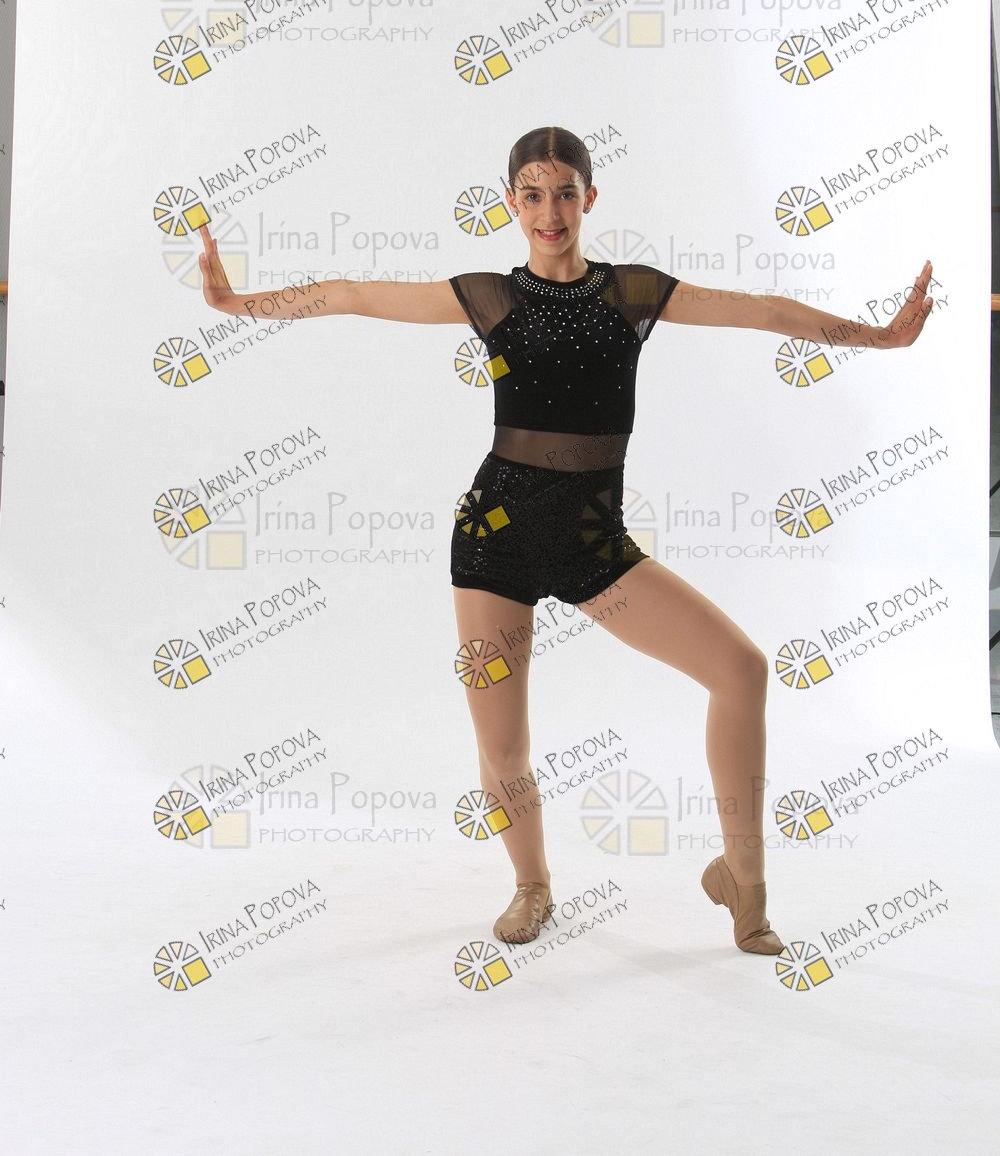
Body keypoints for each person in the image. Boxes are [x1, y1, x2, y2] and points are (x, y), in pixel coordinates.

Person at [199, 124, 934, 957]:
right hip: (495, 537)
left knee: (741, 670)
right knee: (503, 744)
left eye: (564, 193)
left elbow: (762, 311)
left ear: (590, 197)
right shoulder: (488, 296)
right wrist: (237, 304)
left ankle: (744, 881)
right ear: (510, 203)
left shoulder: (633, 293)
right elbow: (352, 293)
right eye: (532, 195)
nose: (549, 212)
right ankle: (532, 884)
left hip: (593, 543)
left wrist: (877, 336)